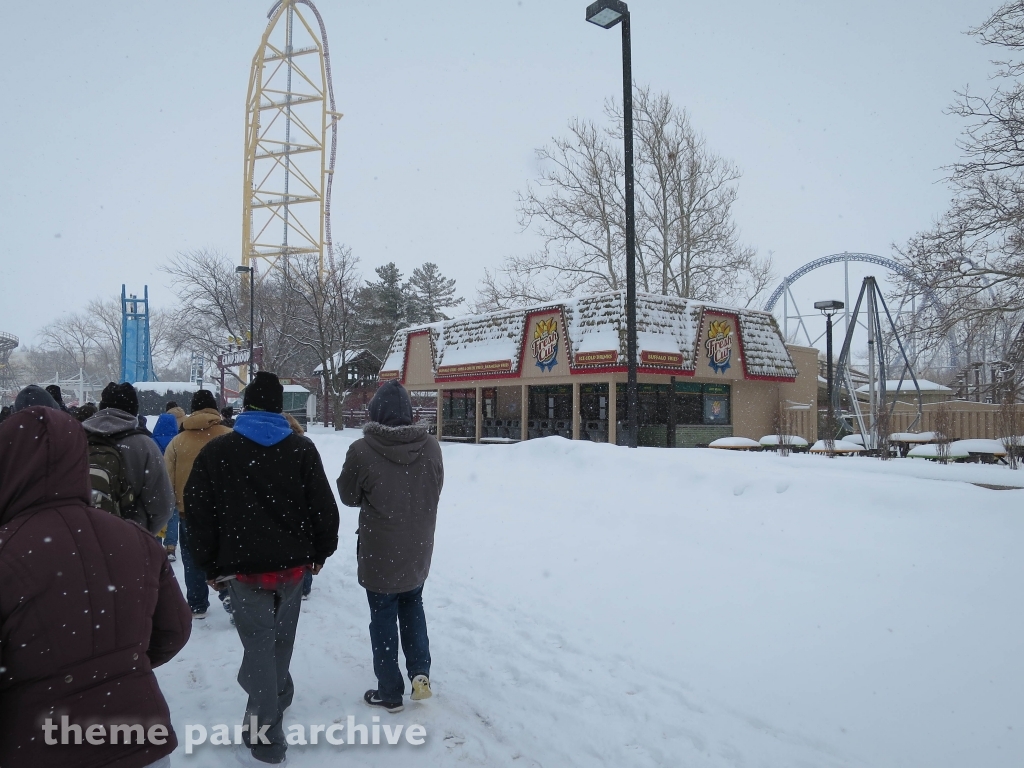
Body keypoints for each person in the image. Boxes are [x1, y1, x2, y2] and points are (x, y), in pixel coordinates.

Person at [0, 405, 192, 768]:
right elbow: (174, 629)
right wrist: (122, 666)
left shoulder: (8, 552)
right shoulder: (134, 538)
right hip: (139, 737)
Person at [185, 371, 340, 765]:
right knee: (277, 645)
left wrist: (206, 564)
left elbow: (198, 513)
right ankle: (275, 699)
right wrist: (321, 552)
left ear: (245, 407)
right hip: (291, 568)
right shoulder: (302, 451)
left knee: (259, 649)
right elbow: (324, 507)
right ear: (279, 409)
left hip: (242, 570)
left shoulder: (218, 453)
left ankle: (266, 735)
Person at [338, 380, 444, 713]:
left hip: (380, 550)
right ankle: (420, 674)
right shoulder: (431, 447)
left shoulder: (362, 450)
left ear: (376, 414)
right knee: (413, 606)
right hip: (417, 547)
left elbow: (348, 495)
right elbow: (435, 487)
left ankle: (390, 690)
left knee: (382, 616)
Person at [164, 389, 232, 619]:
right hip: (225, 510)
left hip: (188, 511)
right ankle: (229, 595)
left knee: (192, 556)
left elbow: (167, 478)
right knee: (226, 554)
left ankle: (196, 603)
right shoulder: (230, 436)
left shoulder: (177, 441)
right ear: (215, 408)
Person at [82, 382, 175, 536]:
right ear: (134, 410)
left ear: (101, 407)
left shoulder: (75, 438)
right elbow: (163, 507)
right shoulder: (145, 446)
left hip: (81, 537)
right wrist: (142, 534)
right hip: (128, 540)